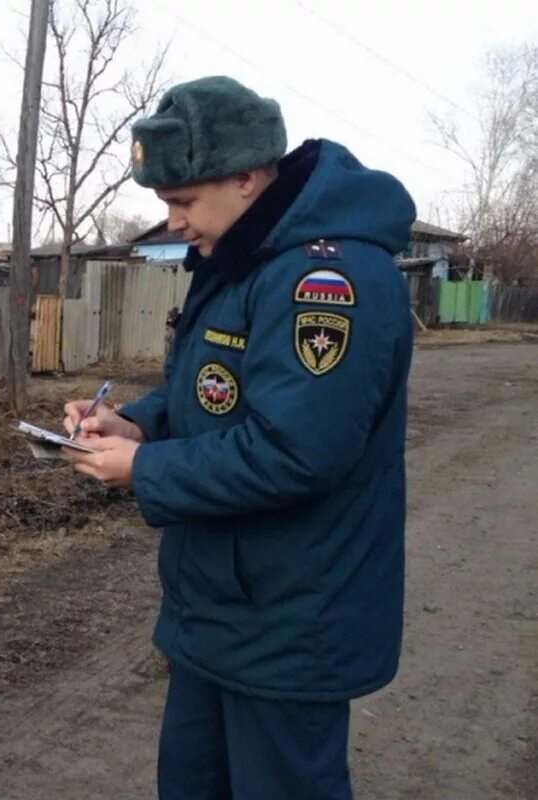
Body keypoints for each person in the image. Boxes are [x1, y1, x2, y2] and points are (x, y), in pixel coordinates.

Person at [63, 76, 415, 799]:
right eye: (166, 204)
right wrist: (137, 422)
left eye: (184, 201)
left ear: (248, 178)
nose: (173, 223)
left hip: (292, 621)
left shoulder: (326, 278)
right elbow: (215, 392)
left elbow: (296, 453)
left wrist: (145, 468)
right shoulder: (244, 259)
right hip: (220, 609)